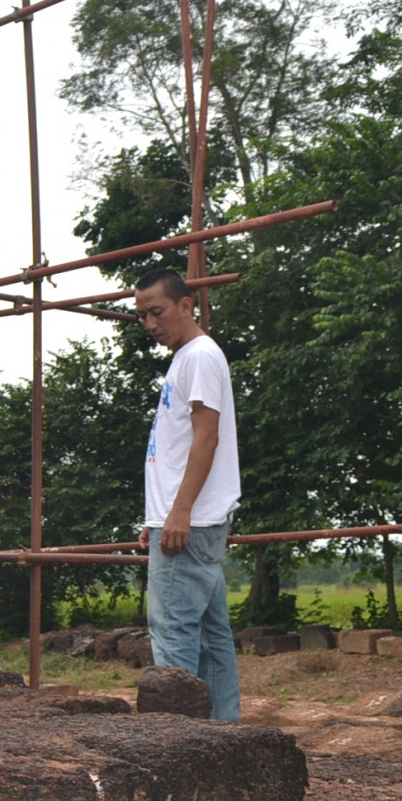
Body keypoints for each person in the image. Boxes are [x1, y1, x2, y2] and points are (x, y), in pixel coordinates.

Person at [134, 265, 241, 722]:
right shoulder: (189, 357)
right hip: (187, 519)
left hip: (189, 521)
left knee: (174, 632)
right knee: (211, 638)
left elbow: (206, 438)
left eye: (157, 312)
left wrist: (178, 513)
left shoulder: (198, 355)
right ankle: (224, 735)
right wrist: (158, 516)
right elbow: (177, 445)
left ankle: (180, 746)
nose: (151, 324)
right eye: (141, 316)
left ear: (185, 305)